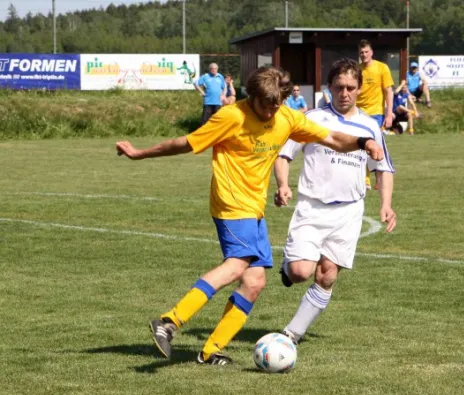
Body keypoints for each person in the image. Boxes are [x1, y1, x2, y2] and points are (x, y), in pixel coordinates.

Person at [115, 66, 386, 366]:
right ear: (251, 96)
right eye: (265, 105)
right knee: (235, 266)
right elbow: (185, 143)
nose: (271, 113)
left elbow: (333, 138)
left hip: (254, 209)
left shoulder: (286, 116)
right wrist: (140, 153)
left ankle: (210, 351)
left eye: (276, 105)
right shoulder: (231, 116)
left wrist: (364, 142)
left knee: (255, 282)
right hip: (231, 204)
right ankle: (169, 321)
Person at [273, 58, 396, 345]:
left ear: (359, 89)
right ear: (329, 87)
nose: (344, 93)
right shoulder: (312, 119)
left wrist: (386, 204)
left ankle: (291, 335)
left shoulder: (370, 126)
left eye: (350, 88)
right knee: (301, 272)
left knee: (327, 275)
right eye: (339, 87)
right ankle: (288, 266)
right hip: (312, 207)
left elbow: (384, 169)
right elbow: (283, 154)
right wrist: (282, 184)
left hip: (349, 212)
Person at [356, 39, 395, 190]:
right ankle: (365, 180)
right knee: (361, 146)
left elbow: (388, 91)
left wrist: (389, 113)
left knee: (375, 146)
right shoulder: (357, 69)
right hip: (358, 113)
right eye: (361, 53)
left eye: (366, 52)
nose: (364, 55)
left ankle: (379, 177)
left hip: (375, 114)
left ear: (371, 52)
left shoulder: (382, 68)